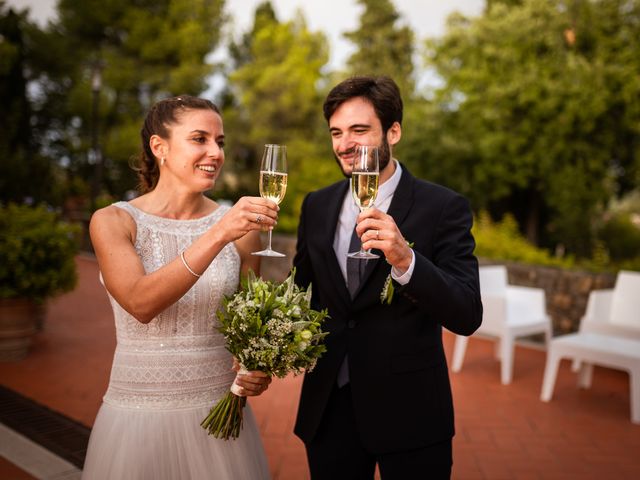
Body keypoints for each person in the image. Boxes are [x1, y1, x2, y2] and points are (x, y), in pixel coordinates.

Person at [293, 76, 483, 479]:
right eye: (337, 132)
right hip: (329, 408)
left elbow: (467, 313)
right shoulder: (317, 204)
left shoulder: (444, 206)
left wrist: (406, 260)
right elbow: (301, 292)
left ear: (393, 131)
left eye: (359, 130)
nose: (345, 144)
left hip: (411, 411)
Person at [83, 95, 277, 479]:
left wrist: (257, 366)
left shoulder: (242, 230)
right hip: (138, 419)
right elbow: (140, 303)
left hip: (219, 420)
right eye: (199, 139)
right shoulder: (113, 222)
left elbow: (248, 326)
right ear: (160, 147)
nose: (214, 152)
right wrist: (218, 233)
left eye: (219, 141)